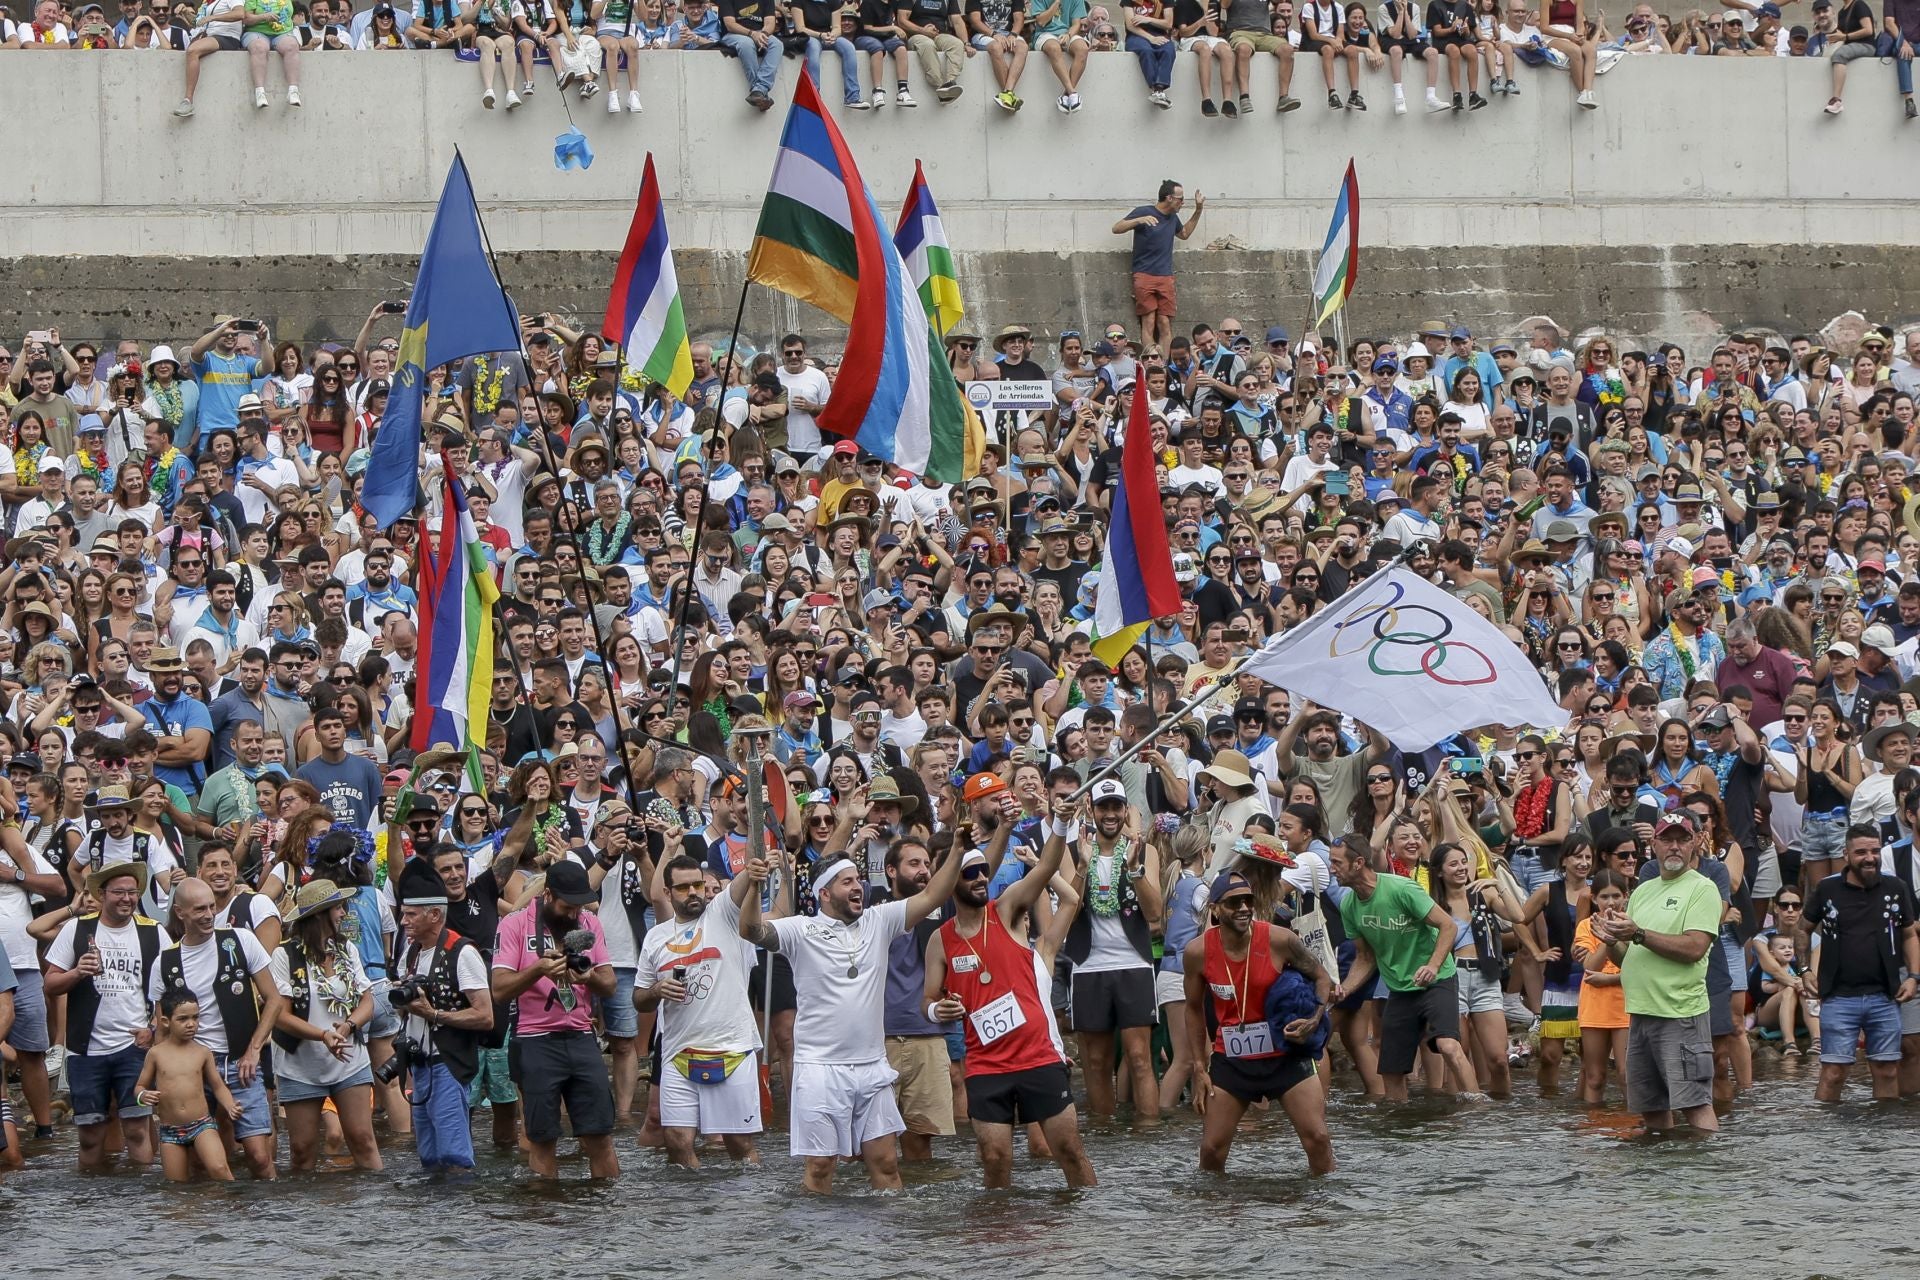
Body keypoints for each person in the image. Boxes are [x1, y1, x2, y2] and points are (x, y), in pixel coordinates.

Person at [736, 832, 965, 1194]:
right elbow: (750, 930)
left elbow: (934, 895)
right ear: (824, 893)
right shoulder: (800, 929)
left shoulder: (880, 920)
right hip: (820, 1069)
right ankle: (819, 1248)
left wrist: (957, 851)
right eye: (847, 882)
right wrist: (753, 885)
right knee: (821, 1167)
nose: (858, 887)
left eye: (859, 880)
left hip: (872, 1067)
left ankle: (886, 1246)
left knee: (887, 1164)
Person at [924, 808, 1095, 1189]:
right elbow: (928, 1000)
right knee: (995, 1160)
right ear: (951, 881)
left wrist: (1061, 825)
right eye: (969, 873)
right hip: (986, 1065)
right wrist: (939, 1009)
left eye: (983, 870)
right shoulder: (941, 940)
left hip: (1037, 1058)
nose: (981, 878)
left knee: (1068, 1149)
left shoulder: (1006, 909)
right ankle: (997, 1235)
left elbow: (1046, 868)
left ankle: (1090, 1230)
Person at [1184, 869, 1335, 1175]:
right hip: (1233, 1059)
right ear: (1214, 909)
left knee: (1318, 1139)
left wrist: (1314, 1018)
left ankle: (1326, 1210)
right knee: (1211, 1151)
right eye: (1233, 902)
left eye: (1247, 901)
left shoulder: (1280, 940)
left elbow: (1322, 977)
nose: (1243, 908)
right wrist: (1199, 1067)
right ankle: (1212, 1217)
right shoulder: (1197, 952)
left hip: (1285, 1056)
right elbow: (1192, 1008)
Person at [1589, 809, 1722, 1134]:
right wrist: (1610, 940)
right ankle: (1657, 1178)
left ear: (1694, 844)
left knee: (1695, 1103)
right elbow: (1629, 959)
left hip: (1680, 1015)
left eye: (1682, 839)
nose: (1674, 846)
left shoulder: (1702, 889)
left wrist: (1636, 934)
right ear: (1655, 845)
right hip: (1640, 1014)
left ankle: (1713, 1174)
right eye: (1667, 839)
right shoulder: (1644, 891)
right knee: (1652, 1110)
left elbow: (1694, 948)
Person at [490, 858, 620, 1179]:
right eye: (567, 906)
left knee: (600, 1136)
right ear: (547, 895)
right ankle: (545, 1216)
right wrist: (537, 969)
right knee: (542, 1139)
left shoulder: (589, 922)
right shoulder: (515, 925)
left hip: (581, 1037)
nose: (574, 913)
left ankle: (609, 1216)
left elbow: (610, 985)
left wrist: (587, 977)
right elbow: (499, 990)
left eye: (579, 906)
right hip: (534, 1041)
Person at [147, 877, 284, 1178]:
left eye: (211, 907)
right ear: (180, 912)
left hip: (240, 1061)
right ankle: (213, 1219)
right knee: (199, 1160)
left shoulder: (240, 940)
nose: (209, 915)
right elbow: (162, 1027)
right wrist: (162, 1082)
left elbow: (273, 1000)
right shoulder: (165, 961)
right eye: (199, 910)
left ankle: (272, 1220)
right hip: (191, 1068)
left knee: (259, 1157)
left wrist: (253, 1051)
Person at [635, 852, 765, 1167]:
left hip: (732, 1049)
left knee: (739, 1144)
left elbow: (745, 877)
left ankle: (751, 1209)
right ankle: (691, 1213)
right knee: (677, 1143)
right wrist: (656, 990)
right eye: (683, 887)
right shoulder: (655, 938)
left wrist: (754, 867)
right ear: (667, 893)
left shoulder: (722, 914)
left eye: (697, 885)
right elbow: (639, 998)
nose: (694, 892)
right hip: (678, 1054)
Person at [1328, 833, 1481, 1099]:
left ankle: (1478, 1112)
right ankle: (1398, 1126)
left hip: (1437, 979)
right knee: (1391, 1070)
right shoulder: (1349, 905)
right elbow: (1365, 958)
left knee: (1447, 1045)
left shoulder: (1401, 889)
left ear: (1358, 863)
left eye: (1337, 862)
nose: (1332, 869)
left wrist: (1432, 966)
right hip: (1399, 988)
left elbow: (1448, 925)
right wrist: (1345, 988)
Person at [41, 861, 162, 1171]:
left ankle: (144, 1203)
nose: (127, 899)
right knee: (89, 1136)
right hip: (85, 1050)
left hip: (135, 1049)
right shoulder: (78, 928)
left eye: (133, 892)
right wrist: (77, 972)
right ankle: (90, 1205)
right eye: (119, 892)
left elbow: (170, 988)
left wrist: (153, 1029)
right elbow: (50, 984)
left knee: (136, 1129)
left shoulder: (153, 932)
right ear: (103, 893)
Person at [269, 878, 382, 1171]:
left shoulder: (348, 950)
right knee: (302, 1149)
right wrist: (323, 1035)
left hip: (349, 1059)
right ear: (320, 915)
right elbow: (280, 1015)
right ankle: (304, 1213)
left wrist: (347, 1028)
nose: (344, 913)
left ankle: (376, 1206)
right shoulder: (284, 955)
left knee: (362, 1138)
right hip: (300, 1064)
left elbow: (367, 1003)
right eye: (338, 908)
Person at [392, 856, 496, 1169]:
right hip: (420, 1064)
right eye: (403, 914)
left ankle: (461, 1214)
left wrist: (434, 1014)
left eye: (411, 915)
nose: (403, 922)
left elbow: (485, 1016)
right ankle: (433, 1217)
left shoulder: (462, 952)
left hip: (448, 1063)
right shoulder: (410, 953)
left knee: (454, 1155)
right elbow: (407, 1012)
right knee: (429, 1156)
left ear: (435, 914)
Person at [1805, 826, 1919, 1101]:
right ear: (1845, 854)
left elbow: (1908, 934)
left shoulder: (1895, 887)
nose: (1870, 858)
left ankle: (1883, 1135)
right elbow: (1802, 929)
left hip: (1885, 995)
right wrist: (1804, 970)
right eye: (1861, 852)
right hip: (1838, 996)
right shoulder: (1827, 888)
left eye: (1875, 851)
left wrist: (1914, 975)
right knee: (1833, 1072)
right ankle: (1824, 1138)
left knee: (1887, 1070)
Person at [135, 990, 241, 1183]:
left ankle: (230, 1210)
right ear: (166, 1021)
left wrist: (230, 1105)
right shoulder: (156, 1054)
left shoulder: (203, 1052)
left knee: (220, 1169)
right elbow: (140, 1085)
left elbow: (218, 1086)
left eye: (195, 1017)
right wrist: (142, 1096)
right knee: (177, 1188)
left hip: (202, 1124)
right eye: (183, 1019)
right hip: (170, 1130)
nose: (191, 1024)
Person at [1111, 179, 1205, 354]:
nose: (1182, 202)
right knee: (1148, 320)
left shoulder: (1172, 218)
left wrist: (1198, 210)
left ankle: (1166, 364)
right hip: (1144, 274)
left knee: (1164, 322)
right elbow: (1116, 228)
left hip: (1165, 276)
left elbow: (1184, 234)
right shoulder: (1144, 211)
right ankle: (1150, 361)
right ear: (1169, 198)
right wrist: (1138, 220)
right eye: (1180, 199)